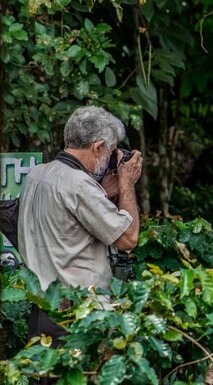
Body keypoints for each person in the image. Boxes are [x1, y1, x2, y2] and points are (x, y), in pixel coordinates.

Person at [17, 106, 143, 345]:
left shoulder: (37, 175)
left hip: (42, 311)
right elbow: (128, 239)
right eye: (111, 150)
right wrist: (127, 185)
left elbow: (64, 224)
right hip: (77, 316)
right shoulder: (78, 184)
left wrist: (102, 194)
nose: (111, 159)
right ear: (97, 147)